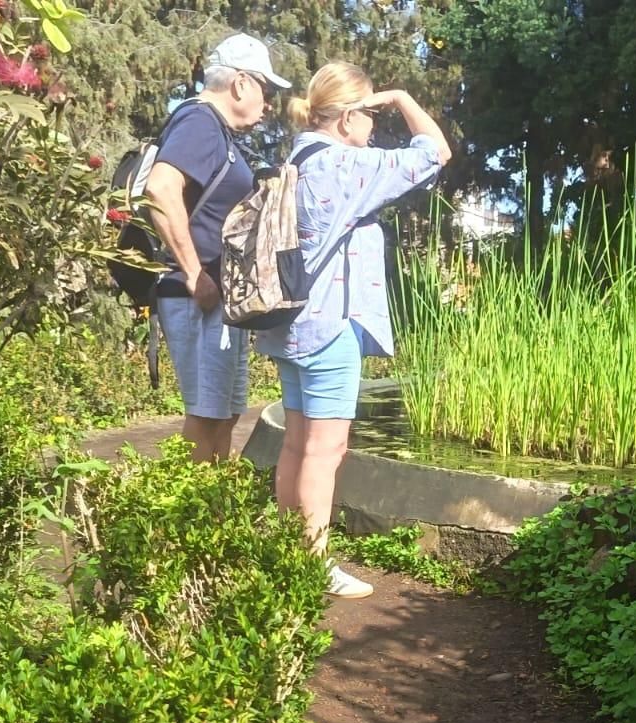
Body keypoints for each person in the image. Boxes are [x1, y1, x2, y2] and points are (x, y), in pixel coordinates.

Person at [255, 63, 450, 599]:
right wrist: (403, 98)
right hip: (330, 326)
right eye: (370, 115)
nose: (374, 126)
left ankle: (289, 552)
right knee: (326, 450)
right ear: (345, 118)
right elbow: (435, 151)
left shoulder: (297, 158)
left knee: (297, 443)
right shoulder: (345, 165)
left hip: (289, 323)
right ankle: (313, 565)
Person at [142, 33, 291, 464]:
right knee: (207, 416)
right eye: (266, 90)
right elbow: (160, 188)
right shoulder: (200, 121)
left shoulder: (215, 130)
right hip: (197, 294)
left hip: (216, 296)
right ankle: (188, 502)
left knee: (226, 414)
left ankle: (214, 498)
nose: (269, 104)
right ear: (241, 83)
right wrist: (194, 274)